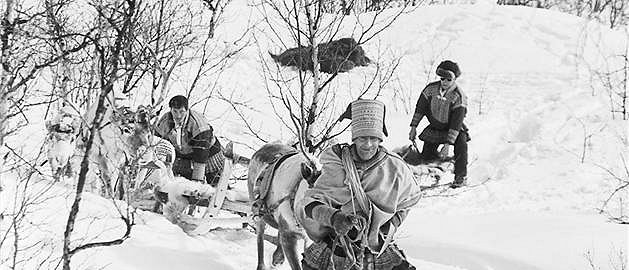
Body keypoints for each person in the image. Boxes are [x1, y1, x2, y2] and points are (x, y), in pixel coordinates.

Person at [299, 99, 422, 270]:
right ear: (354, 138)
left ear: (380, 140)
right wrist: (334, 218)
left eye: (373, 138)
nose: (368, 144)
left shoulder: (395, 167)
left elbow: (409, 200)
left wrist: (389, 226)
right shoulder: (337, 162)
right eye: (363, 138)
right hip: (337, 242)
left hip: (377, 245)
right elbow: (310, 204)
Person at [408, 60, 469, 188]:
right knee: (427, 157)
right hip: (435, 126)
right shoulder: (430, 89)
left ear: (454, 79)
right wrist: (414, 127)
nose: (444, 82)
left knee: (461, 145)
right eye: (442, 79)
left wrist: (447, 144)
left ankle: (460, 177)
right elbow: (420, 108)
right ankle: (431, 175)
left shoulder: (459, 96)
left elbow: (456, 122)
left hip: (453, 128)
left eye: (448, 79)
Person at [155, 95, 225, 185]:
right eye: (175, 111)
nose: (178, 116)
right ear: (170, 110)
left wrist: (196, 184)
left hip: (208, 154)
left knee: (215, 183)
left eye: (182, 112)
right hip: (184, 155)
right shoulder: (165, 121)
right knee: (182, 185)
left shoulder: (198, 125)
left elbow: (201, 155)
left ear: (187, 110)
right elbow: (157, 144)